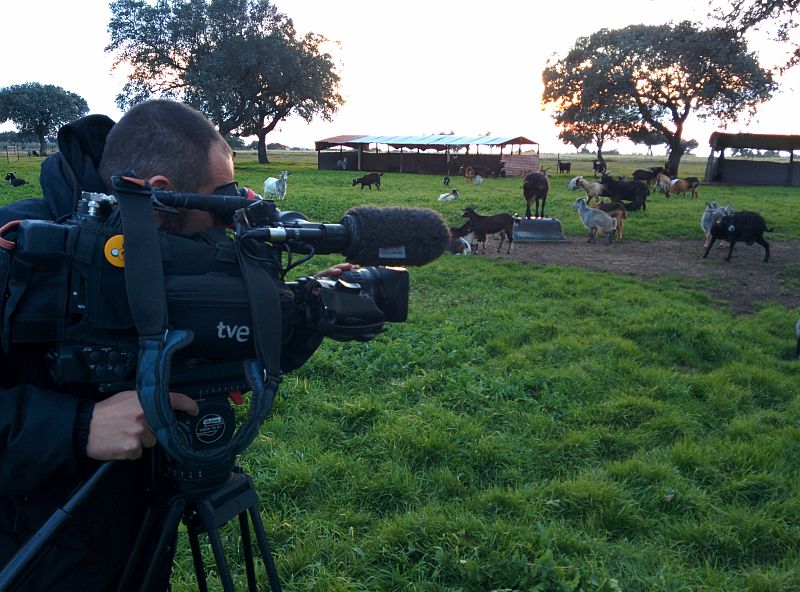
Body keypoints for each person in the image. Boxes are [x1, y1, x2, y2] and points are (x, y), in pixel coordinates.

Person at [0, 100, 350, 591]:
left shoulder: (196, 252)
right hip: (36, 549)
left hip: (142, 529)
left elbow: (228, 350)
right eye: (219, 198)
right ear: (160, 195)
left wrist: (302, 309)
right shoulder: (22, 251)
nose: (229, 217)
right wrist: (78, 427)